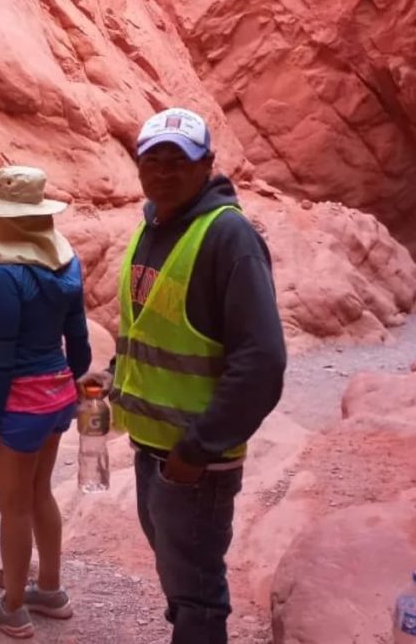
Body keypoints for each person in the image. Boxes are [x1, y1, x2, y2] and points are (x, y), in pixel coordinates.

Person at [81, 108, 287, 644]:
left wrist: (197, 451)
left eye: (180, 161)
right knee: (180, 585)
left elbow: (262, 362)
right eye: (154, 160)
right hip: (155, 450)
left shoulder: (227, 237)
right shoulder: (152, 226)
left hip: (196, 462)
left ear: (206, 166)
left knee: (196, 595)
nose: (165, 172)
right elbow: (155, 329)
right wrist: (114, 377)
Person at [0, 166, 91, 639]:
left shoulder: (5, 278)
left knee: (13, 507)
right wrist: (73, 387)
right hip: (56, 395)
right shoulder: (68, 264)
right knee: (41, 494)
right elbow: (78, 341)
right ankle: (51, 591)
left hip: (18, 407)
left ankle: (14, 607)